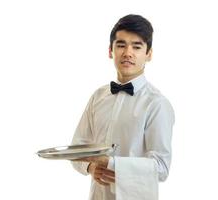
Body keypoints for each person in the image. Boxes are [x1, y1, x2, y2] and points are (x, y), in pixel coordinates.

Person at [71, 14, 175, 200]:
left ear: (149, 54)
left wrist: (112, 163)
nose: (128, 52)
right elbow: (77, 148)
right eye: (121, 45)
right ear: (110, 51)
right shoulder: (98, 97)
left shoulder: (157, 104)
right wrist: (90, 166)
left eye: (137, 46)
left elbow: (161, 168)